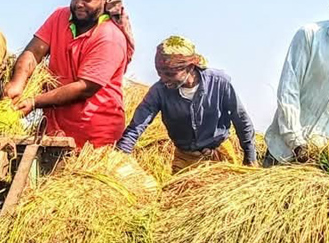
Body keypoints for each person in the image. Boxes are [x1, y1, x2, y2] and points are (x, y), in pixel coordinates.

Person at [4, 0, 134, 148]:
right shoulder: (60, 17)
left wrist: (35, 102)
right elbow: (34, 52)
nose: (79, 4)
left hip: (94, 139)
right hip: (55, 130)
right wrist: (17, 83)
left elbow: (85, 88)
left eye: (87, 0)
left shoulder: (109, 36)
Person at [116, 36, 257, 173]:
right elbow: (136, 127)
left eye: (170, 74)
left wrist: (250, 157)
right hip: (185, 159)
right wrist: (120, 158)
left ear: (190, 67)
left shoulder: (219, 82)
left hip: (220, 155)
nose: (164, 79)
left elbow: (241, 119)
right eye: (160, 73)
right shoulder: (159, 91)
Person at [264, 20, 329, 166]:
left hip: (320, 163)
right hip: (283, 154)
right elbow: (288, 91)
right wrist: (298, 144)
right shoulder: (309, 35)